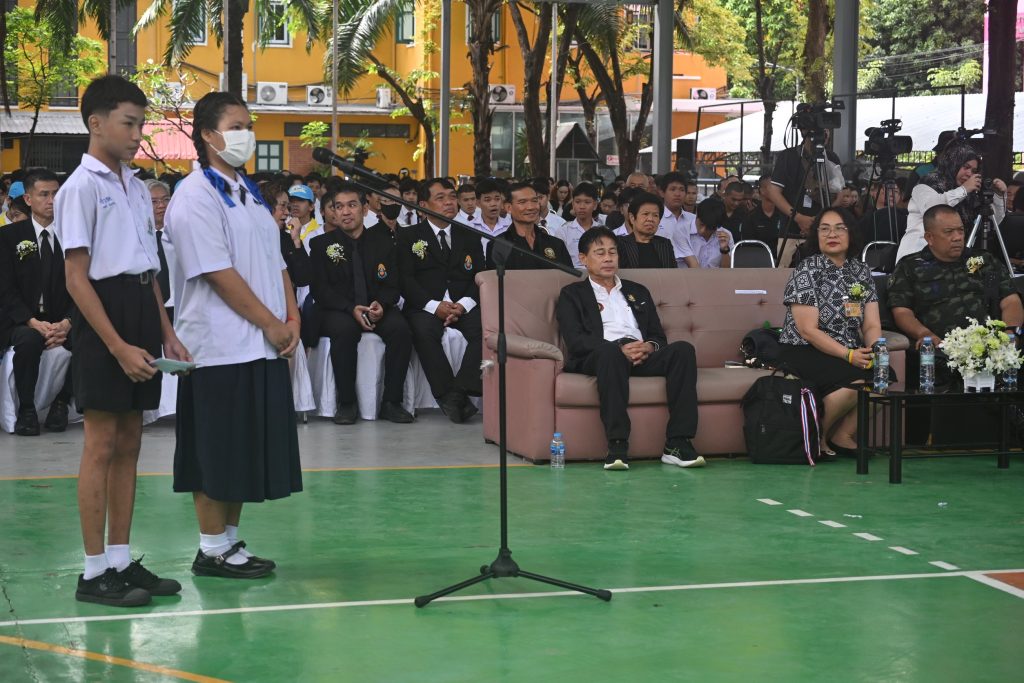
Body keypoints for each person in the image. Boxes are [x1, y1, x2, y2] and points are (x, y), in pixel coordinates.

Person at [56, 75, 189, 606]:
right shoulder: (80, 188)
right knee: (103, 443)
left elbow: (148, 271)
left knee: (132, 442)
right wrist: (115, 345)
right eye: (129, 123)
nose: (138, 134)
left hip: (139, 311)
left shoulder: (136, 186)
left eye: (141, 124)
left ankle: (119, 559)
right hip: (103, 318)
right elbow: (75, 277)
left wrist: (165, 331)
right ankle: (91, 573)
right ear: (96, 123)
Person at [165, 91, 302, 580]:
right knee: (217, 449)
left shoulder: (247, 190)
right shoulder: (194, 195)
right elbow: (217, 272)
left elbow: (275, 259)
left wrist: (291, 317)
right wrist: (270, 322)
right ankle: (210, 547)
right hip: (219, 346)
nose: (248, 134)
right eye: (237, 124)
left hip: (262, 343)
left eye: (250, 124)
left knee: (244, 448)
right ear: (207, 134)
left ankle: (228, 543)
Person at [556, 227, 703, 471]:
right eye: (600, 253)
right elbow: (576, 340)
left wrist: (647, 347)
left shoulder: (637, 290)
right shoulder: (573, 294)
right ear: (583, 258)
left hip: (640, 354)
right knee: (611, 354)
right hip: (600, 355)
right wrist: (618, 348)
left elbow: (657, 336)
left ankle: (678, 443)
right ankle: (617, 444)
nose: (608, 258)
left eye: (612, 252)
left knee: (683, 351)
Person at [776, 207, 879, 457]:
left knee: (883, 377)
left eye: (839, 228)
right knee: (855, 381)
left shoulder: (861, 272)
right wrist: (849, 355)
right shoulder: (808, 270)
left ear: (851, 233)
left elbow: (871, 324)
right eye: (824, 229)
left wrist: (877, 350)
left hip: (847, 349)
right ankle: (817, 435)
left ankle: (843, 435)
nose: (831, 234)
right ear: (816, 235)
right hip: (804, 348)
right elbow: (807, 330)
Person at [308, 184, 414, 424]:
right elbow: (320, 289)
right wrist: (350, 308)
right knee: (344, 331)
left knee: (400, 330)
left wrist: (382, 305)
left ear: (365, 209)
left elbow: (393, 284)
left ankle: (391, 402)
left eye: (352, 205)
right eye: (338, 207)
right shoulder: (321, 245)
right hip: (338, 309)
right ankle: (347, 403)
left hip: (376, 307)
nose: (345, 212)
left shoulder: (384, 242)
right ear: (332, 212)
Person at [397, 178, 484, 423]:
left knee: (486, 330)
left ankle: (457, 392)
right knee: (423, 332)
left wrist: (464, 304)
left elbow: (479, 274)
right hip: (426, 305)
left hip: (462, 304)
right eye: (441, 198)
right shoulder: (408, 236)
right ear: (423, 204)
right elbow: (406, 279)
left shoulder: (469, 235)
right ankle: (448, 393)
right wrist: (435, 307)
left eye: (451, 196)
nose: (449, 202)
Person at [0, 169, 74, 436]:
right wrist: (32, 322)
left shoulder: (74, 234)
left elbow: (85, 285)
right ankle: (27, 410)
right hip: (22, 319)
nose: (52, 200)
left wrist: (66, 323)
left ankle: (62, 403)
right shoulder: (9, 237)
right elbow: (5, 290)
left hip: (63, 316)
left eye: (57, 193)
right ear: (28, 199)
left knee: (88, 336)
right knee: (28, 341)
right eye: (44, 194)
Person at [889, 204, 1023, 351]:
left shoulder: (985, 259)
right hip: (942, 348)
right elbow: (902, 311)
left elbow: (1010, 300)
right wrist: (924, 334)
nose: (957, 237)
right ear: (929, 237)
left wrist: (1010, 332)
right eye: (949, 232)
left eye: (960, 230)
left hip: (993, 345)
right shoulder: (910, 267)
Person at [897, 140, 1007, 264]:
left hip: (953, 263)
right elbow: (933, 209)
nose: (969, 173)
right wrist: (964, 190)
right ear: (953, 164)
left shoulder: (970, 193)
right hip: (917, 258)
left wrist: (998, 196)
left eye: (974, 170)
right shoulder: (927, 183)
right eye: (966, 167)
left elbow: (991, 223)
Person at [763, 129, 845, 238]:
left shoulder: (831, 157)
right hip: (791, 232)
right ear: (804, 132)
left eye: (825, 130)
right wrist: (798, 218)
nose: (823, 134)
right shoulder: (788, 156)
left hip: (825, 233)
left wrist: (820, 219)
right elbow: (773, 192)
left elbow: (841, 194)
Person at [487, 181, 572, 270]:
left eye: (534, 201)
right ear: (508, 207)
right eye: (522, 202)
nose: (531, 207)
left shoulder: (556, 244)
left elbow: (569, 279)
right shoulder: (498, 245)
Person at [260, 179, 312, 292]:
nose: (287, 212)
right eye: (282, 206)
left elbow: (303, 279)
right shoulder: (252, 238)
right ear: (266, 205)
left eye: (288, 207)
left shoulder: (288, 239)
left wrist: (297, 240)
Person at [616, 192, 676, 269]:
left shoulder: (665, 244)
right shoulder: (620, 243)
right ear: (632, 218)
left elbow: (673, 274)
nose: (650, 219)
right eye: (645, 214)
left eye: (655, 215)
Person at [145, 179, 177, 323]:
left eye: (166, 199)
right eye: (154, 202)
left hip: (179, 306)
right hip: (150, 307)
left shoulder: (181, 232)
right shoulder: (138, 238)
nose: (161, 206)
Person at [554, 182, 604, 268]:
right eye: (578, 202)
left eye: (587, 202)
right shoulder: (563, 231)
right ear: (573, 204)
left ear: (595, 205)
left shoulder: (603, 231)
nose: (582, 206)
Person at [655, 171, 699, 267]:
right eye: (673, 189)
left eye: (682, 190)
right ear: (662, 193)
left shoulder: (694, 219)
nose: (677, 194)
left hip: (692, 272)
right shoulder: (655, 219)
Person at [469, 177, 511, 253]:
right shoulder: (470, 227)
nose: (493, 204)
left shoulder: (510, 226)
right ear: (478, 203)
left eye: (497, 199)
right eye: (487, 200)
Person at [741, 177, 786, 245]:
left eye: (777, 188)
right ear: (762, 190)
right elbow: (748, 247)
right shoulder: (751, 217)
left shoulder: (784, 215)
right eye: (772, 187)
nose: (776, 191)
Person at [690, 202, 734, 268]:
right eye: (701, 224)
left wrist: (724, 250)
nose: (702, 230)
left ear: (717, 227)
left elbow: (726, 271)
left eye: (709, 227)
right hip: (687, 276)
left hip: (716, 277)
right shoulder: (684, 232)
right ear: (696, 216)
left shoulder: (725, 235)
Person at [289, 184, 321, 252]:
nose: (295, 204)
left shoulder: (320, 232)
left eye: (300, 200)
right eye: (291, 200)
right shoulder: (282, 229)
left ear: (311, 206)